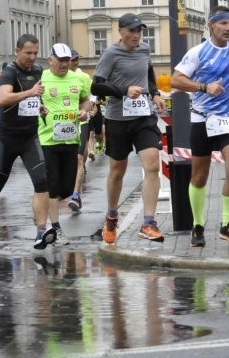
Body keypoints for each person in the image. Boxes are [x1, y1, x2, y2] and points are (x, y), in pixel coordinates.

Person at [0, 34, 57, 250]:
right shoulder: (10, 72)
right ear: (17, 51)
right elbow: (4, 98)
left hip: (29, 137)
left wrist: (40, 105)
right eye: (28, 53)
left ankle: (41, 231)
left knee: (42, 180)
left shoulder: (37, 71)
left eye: (35, 53)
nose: (32, 58)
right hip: (7, 139)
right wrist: (31, 92)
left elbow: (35, 97)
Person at [171, 5, 229, 247]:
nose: (228, 28)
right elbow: (176, 79)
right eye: (223, 24)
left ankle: (227, 224)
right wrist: (204, 87)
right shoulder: (199, 52)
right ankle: (197, 225)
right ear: (211, 26)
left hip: (228, 118)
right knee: (199, 175)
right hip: (202, 119)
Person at [91, 13, 167, 244]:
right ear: (121, 31)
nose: (136, 35)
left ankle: (148, 223)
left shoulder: (145, 50)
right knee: (117, 171)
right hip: (117, 119)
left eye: (139, 31)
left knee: (153, 165)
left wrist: (154, 94)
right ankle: (112, 216)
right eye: (132, 31)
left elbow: (149, 74)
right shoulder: (111, 54)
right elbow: (97, 86)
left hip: (144, 116)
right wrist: (124, 91)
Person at [39, 43, 92, 244]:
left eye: (66, 60)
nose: (63, 64)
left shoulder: (78, 78)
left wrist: (84, 110)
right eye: (60, 60)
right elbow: (31, 102)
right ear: (50, 59)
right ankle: (55, 227)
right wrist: (40, 107)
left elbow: (86, 101)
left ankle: (41, 203)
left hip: (70, 138)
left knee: (67, 189)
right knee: (52, 185)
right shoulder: (41, 77)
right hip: (47, 139)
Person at [67, 49, 93, 213]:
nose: (75, 62)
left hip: (81, 122)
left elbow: (89, 100)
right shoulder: (51, 77)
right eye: (72, 60)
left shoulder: (83, 77)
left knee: (78, 159)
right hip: (61, 123)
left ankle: (76, 195)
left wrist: (86, 109)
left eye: (77, 60)